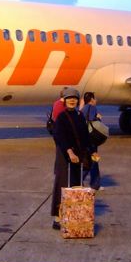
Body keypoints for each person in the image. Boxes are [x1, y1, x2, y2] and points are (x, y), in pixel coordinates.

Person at [50, 88, 98, 230]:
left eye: (75, 98)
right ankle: (58, 217)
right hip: (65, 155)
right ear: (64, 100)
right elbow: (60, 137)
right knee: (63, 184)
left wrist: (92, 151)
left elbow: (85, 136)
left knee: (76, 184)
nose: (72, 100)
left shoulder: (79, 115)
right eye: (69, 98)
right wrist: (69, 152)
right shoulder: (62, 117)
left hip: (78, 155)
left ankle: (73, 215)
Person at [80, 91, 103, 191]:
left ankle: (95, 183)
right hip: (92, 139)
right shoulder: (92, 108)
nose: (96, 100)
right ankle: (93, 183)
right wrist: (98, 118)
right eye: (94, 98)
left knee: (90, 161)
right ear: (92, 99)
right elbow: (93, 122)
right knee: (93, 161)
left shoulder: (83, 109)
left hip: (85, 138)